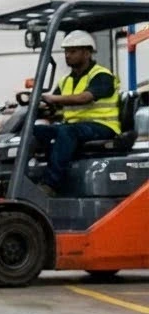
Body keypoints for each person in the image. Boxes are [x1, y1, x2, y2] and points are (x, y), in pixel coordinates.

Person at [33, 30, 122, 192]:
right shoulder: (65, 80)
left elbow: (84, 98)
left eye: (73, 51)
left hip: (102, 126)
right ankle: (30, 175)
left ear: (87, 53)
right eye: (66, 51)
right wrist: (39, 106)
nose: (67, 55)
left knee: (67, 132)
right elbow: (53, 106)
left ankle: (50, 184)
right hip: (75, 126)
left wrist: (52, 99)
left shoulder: (102, 76)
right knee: (35, 131)